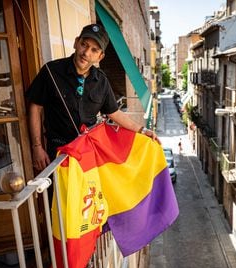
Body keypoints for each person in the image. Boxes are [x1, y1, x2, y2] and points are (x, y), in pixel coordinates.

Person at [26, 23, 158, 171]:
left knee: (89, 193)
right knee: (62, 194)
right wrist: (37, 147)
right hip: (58, 152)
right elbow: (35, 107)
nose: (86, 53)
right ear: (76, 42)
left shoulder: (101, 81)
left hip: (88, 151)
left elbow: (114, 112)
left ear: (100, 56)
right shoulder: (51, 70)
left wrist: (142, 130)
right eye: (84, 44)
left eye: (94, 50)